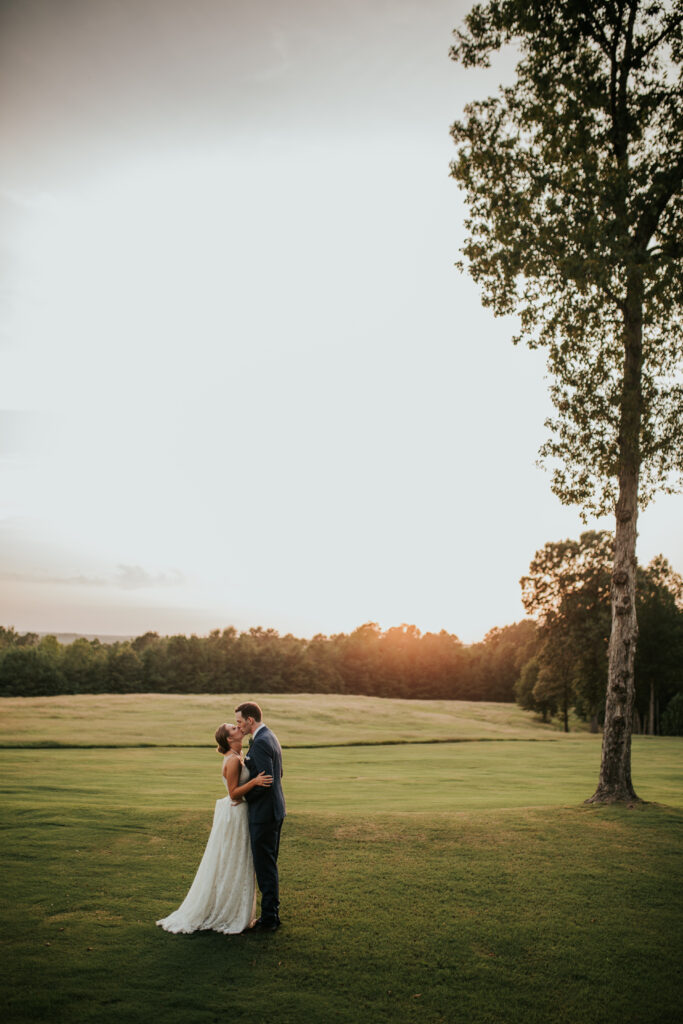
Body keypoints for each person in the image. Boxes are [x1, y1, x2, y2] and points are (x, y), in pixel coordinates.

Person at [156, 722, 273, 934]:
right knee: (233, 860)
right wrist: (255, 782)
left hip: (239, 813)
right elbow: (234, 794)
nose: (239, 728)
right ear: (229, 739)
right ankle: (227, 911)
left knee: (237, 860)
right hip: (235, 815)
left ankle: (237, 907)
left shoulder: (238, 756)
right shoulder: (232, 761)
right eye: (234, 729)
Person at [235, 701, 285, 932]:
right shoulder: (270, 737)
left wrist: (245, 796)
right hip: (274, 810)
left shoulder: (261, 742)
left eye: (239, 721)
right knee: (268, 864)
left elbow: (266, 782)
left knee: (265, 866)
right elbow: (279, 773)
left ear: (250, 720)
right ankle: (271, 913)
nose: (239, 726)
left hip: (264, 814)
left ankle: (269, 919)